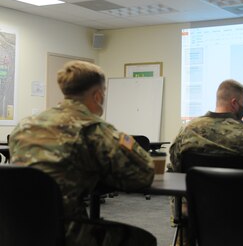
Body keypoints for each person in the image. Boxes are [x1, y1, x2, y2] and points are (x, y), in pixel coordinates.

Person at [9, 61, 156, 246]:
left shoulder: (24, 126)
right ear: (98, 95)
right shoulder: (93, 128)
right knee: (142, 240)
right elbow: (143, 175)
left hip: (16, 227)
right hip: (66, 231)